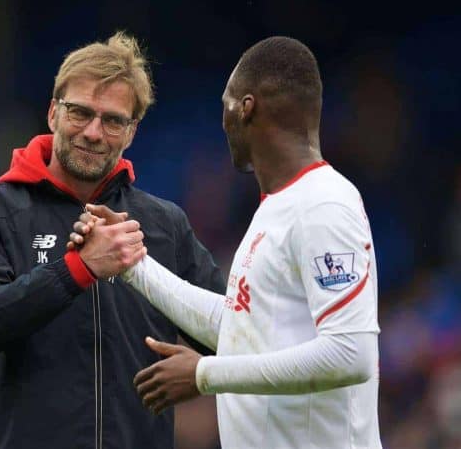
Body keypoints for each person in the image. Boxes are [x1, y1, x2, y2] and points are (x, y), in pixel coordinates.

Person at [71, 36, 382, 448]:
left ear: (245, 107)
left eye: (225, 104)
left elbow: (350, 355)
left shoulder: (324, 204)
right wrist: (132, 265)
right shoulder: (278, 207)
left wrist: (205, 375)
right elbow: (243, 329)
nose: (222, 121)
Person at [0, 32, 224, 449]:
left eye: (113, 120)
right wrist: (78, 268)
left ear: (131, 132)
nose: (94, 132)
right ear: (54, 113)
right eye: (80, 113)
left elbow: (239, 332)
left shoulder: (165, 224)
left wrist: (205, 373)